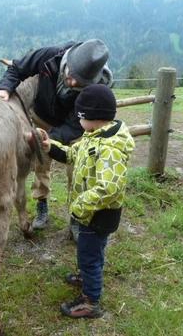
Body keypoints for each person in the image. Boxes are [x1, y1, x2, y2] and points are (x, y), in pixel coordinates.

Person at [0, 39, 113, 231]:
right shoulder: (49, 56)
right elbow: (18, 68)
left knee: (78, 168)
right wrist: (4, 88)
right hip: (41, 118)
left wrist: (50, 139)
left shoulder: (99, 88)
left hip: (76, 126)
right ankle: (42, 205)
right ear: (68, 62)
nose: (72, 82)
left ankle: (77, 214)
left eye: (80, 83)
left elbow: (76, 125)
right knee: (41, 164)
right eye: (71, 75)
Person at [36, 84, 135, 318]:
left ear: (89, 117)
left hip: (98, 214)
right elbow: (72, 154)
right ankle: (87, 276)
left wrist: (79, 205)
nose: (76, 120)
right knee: (90, 251)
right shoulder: (93, 136)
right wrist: (50, 146)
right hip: (90, 213)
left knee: (89, 255)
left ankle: (91, 301)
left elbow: (109, 188)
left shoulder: (110, 148)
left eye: (78, 116)